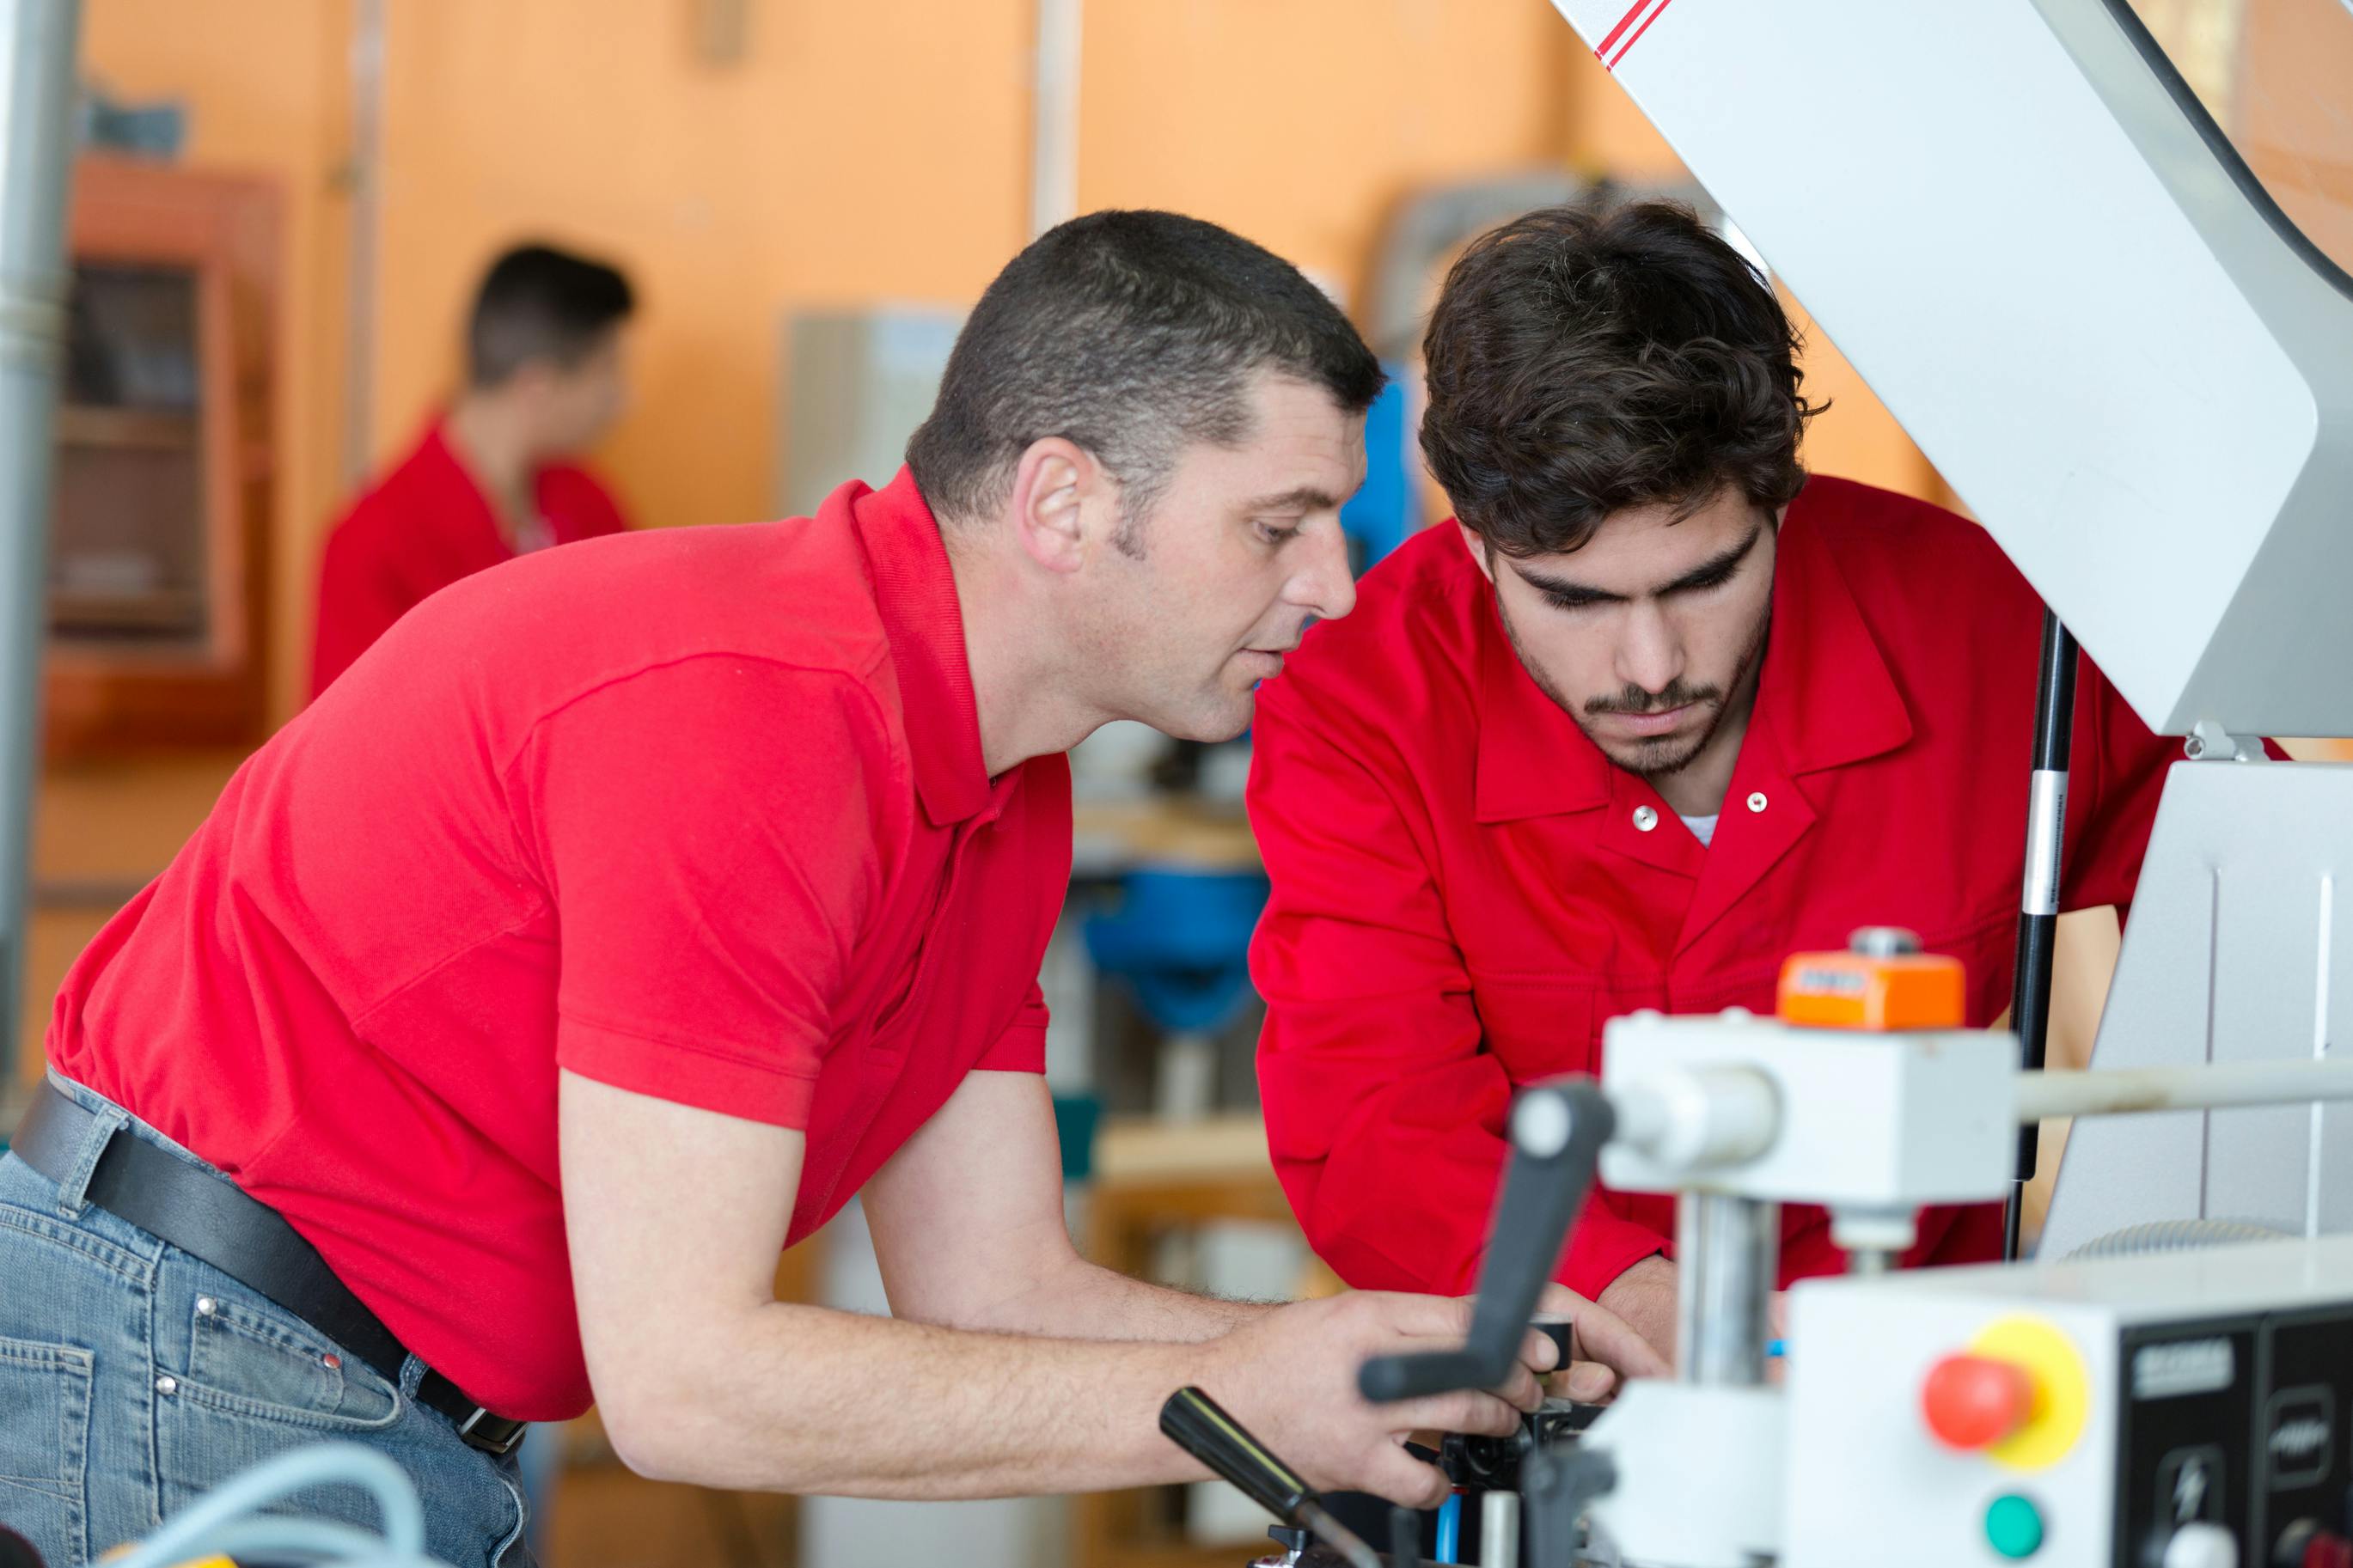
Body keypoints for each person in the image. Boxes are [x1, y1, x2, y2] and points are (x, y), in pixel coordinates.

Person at [0, 210, 1656, 1568]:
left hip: (354, 1394)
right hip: (191, 1350)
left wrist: (1359, 1360)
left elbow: (994, 1292)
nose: (1335, 585)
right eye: (1277, 525)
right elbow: (690, 1385)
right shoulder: (760, 721)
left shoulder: (998, 785)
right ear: (1064, 503)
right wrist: (1236, 1391)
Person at [1246, 201, 2185, 1365]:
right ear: (1474, 538)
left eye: (1702, 580)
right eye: (1573, 599)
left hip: (1935, 1371)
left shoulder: (1996, 633)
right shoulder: (1361, 703)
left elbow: (2262, 915)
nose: (1650, 667)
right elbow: (1371, 1120)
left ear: (1778, 496)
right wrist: (1658, 1317)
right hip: (1561, 1377)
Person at [310, 242, 635, 697]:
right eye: (608, 372)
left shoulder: (592, 507)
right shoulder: (370, 544)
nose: (624, 400)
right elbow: (348, 733)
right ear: (537, 385)